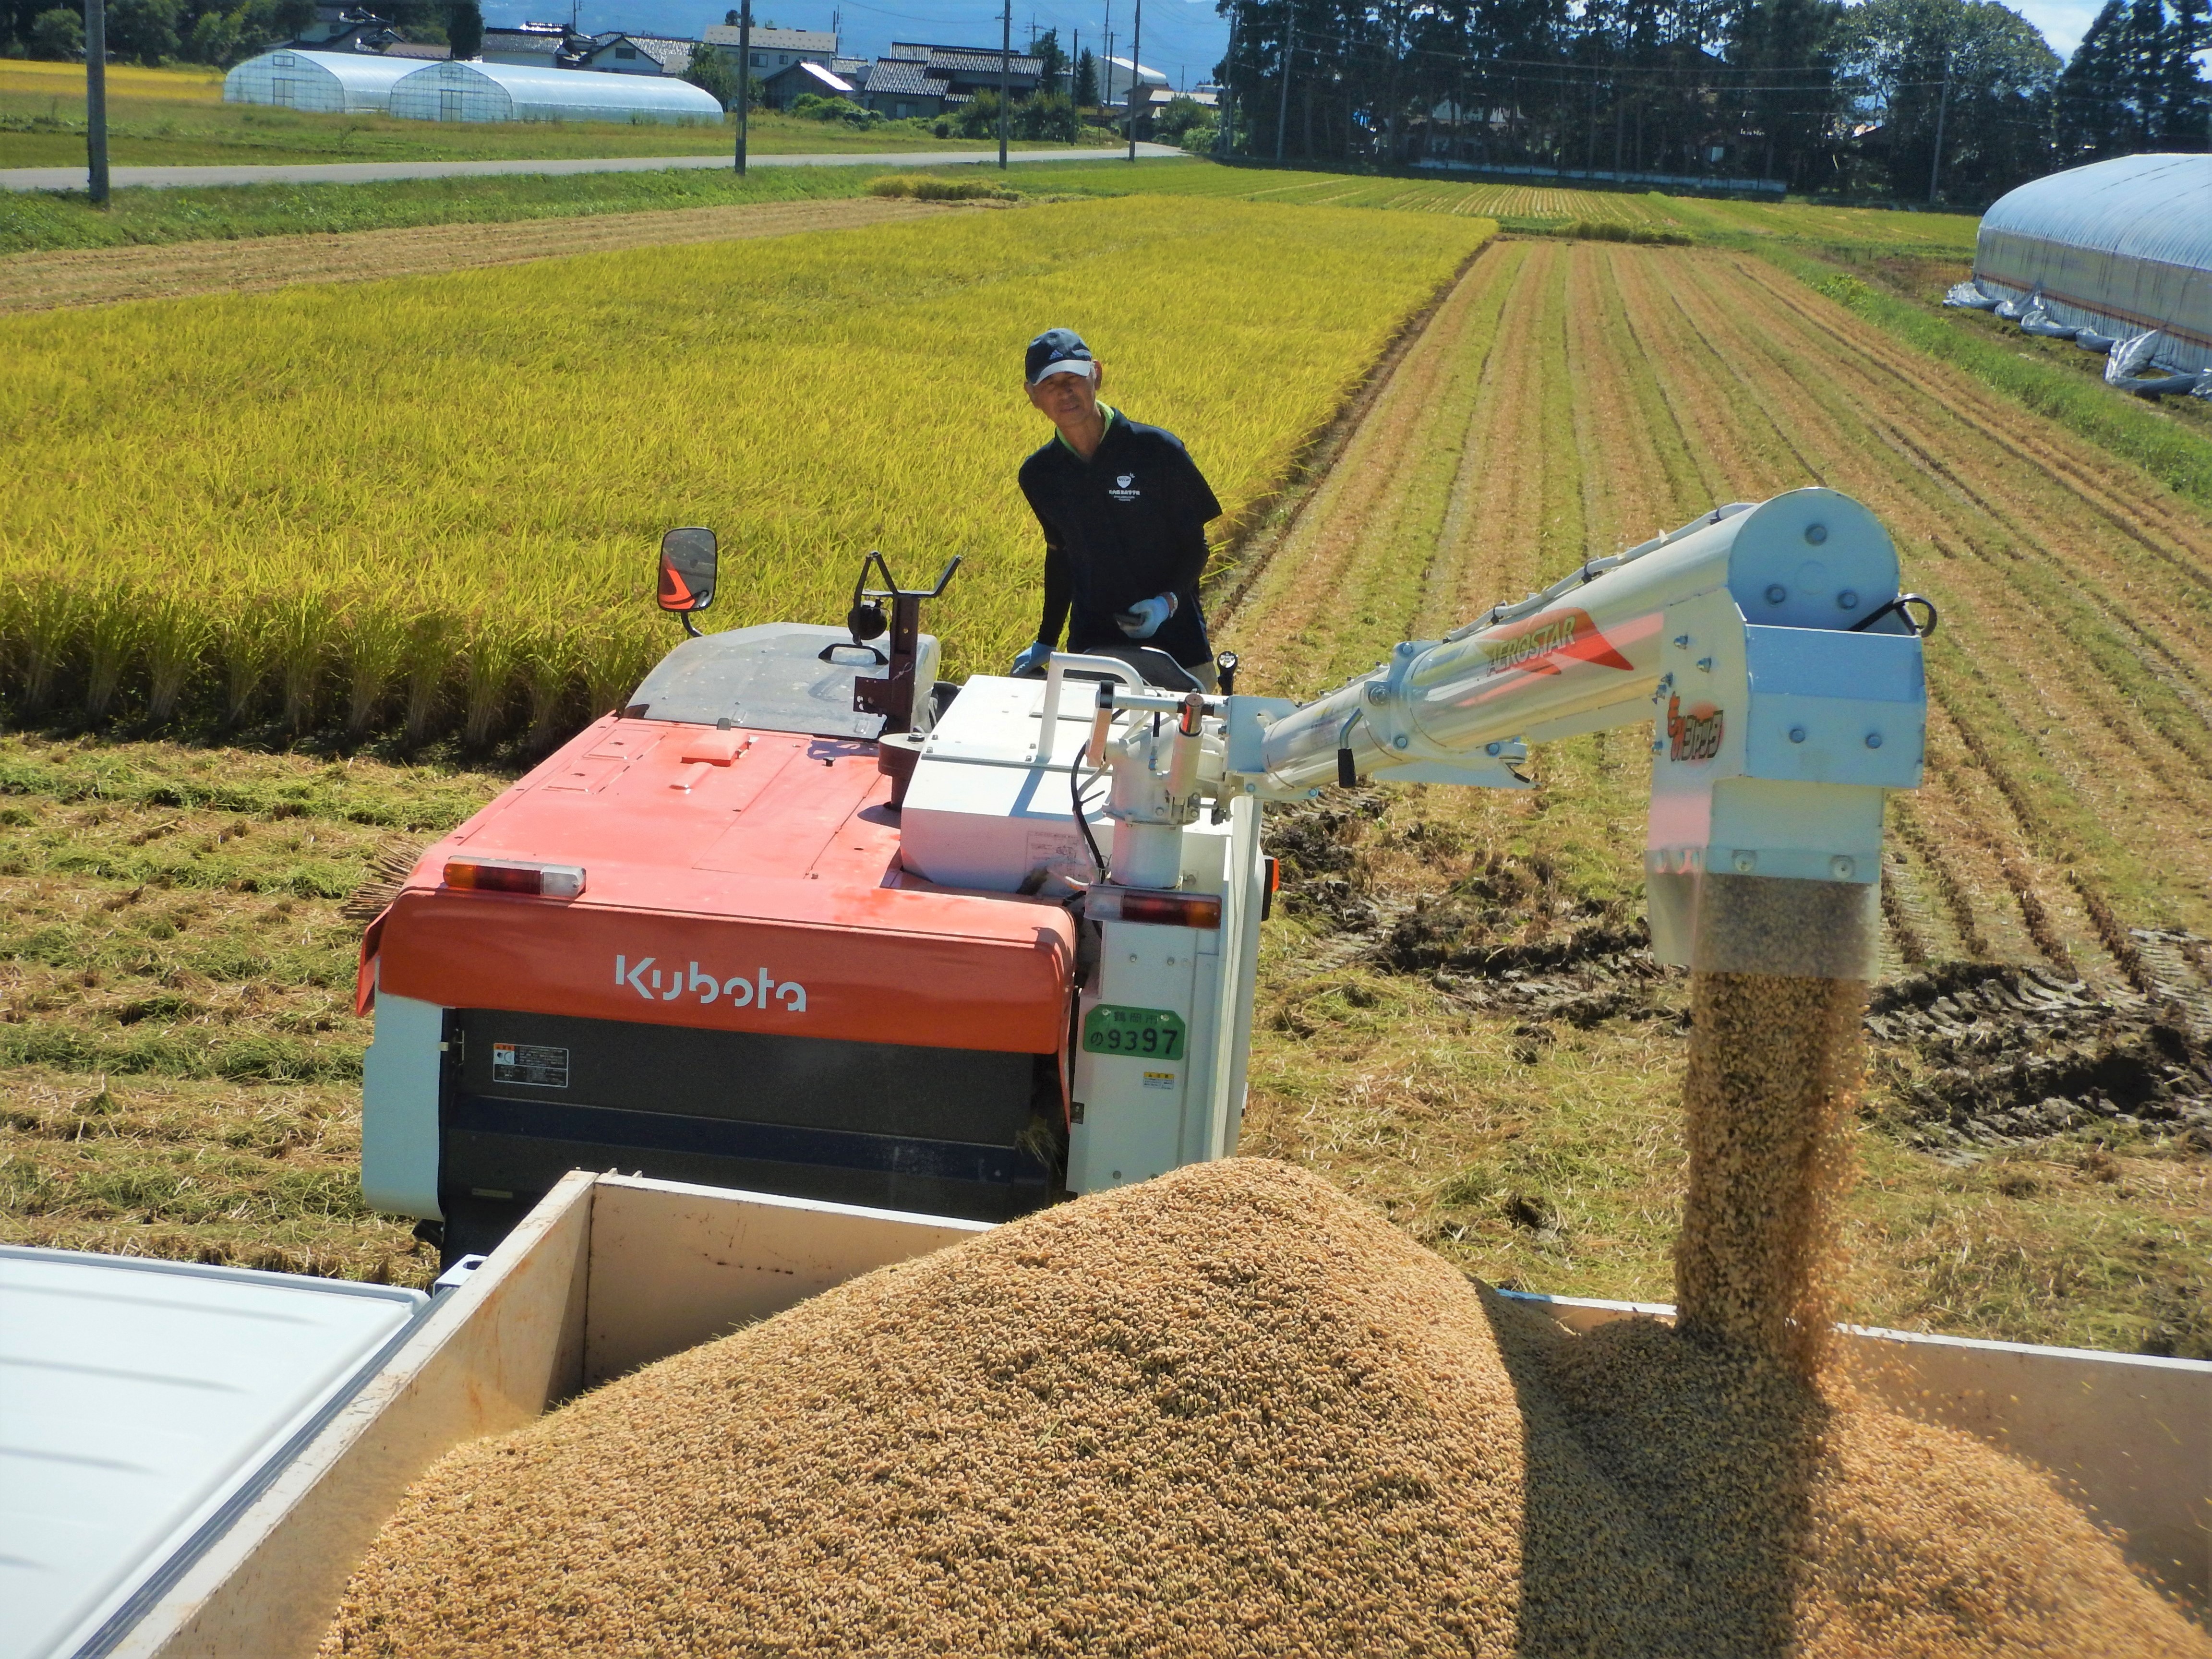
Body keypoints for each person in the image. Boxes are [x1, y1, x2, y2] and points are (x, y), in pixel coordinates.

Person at [1010, 329, 1224, 689]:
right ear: (1032, 395)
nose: (1064, 391)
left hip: (1177, 648)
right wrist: (1047, 640)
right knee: (1088, 745)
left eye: (1073, 378)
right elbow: (1061, 557)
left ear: (1096, 374)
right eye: (1050, 383)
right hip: (1093, 646)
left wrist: (1166, 603)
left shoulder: (1157, 450)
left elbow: (1195, 545)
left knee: (1185, 744)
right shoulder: (1040, 474)